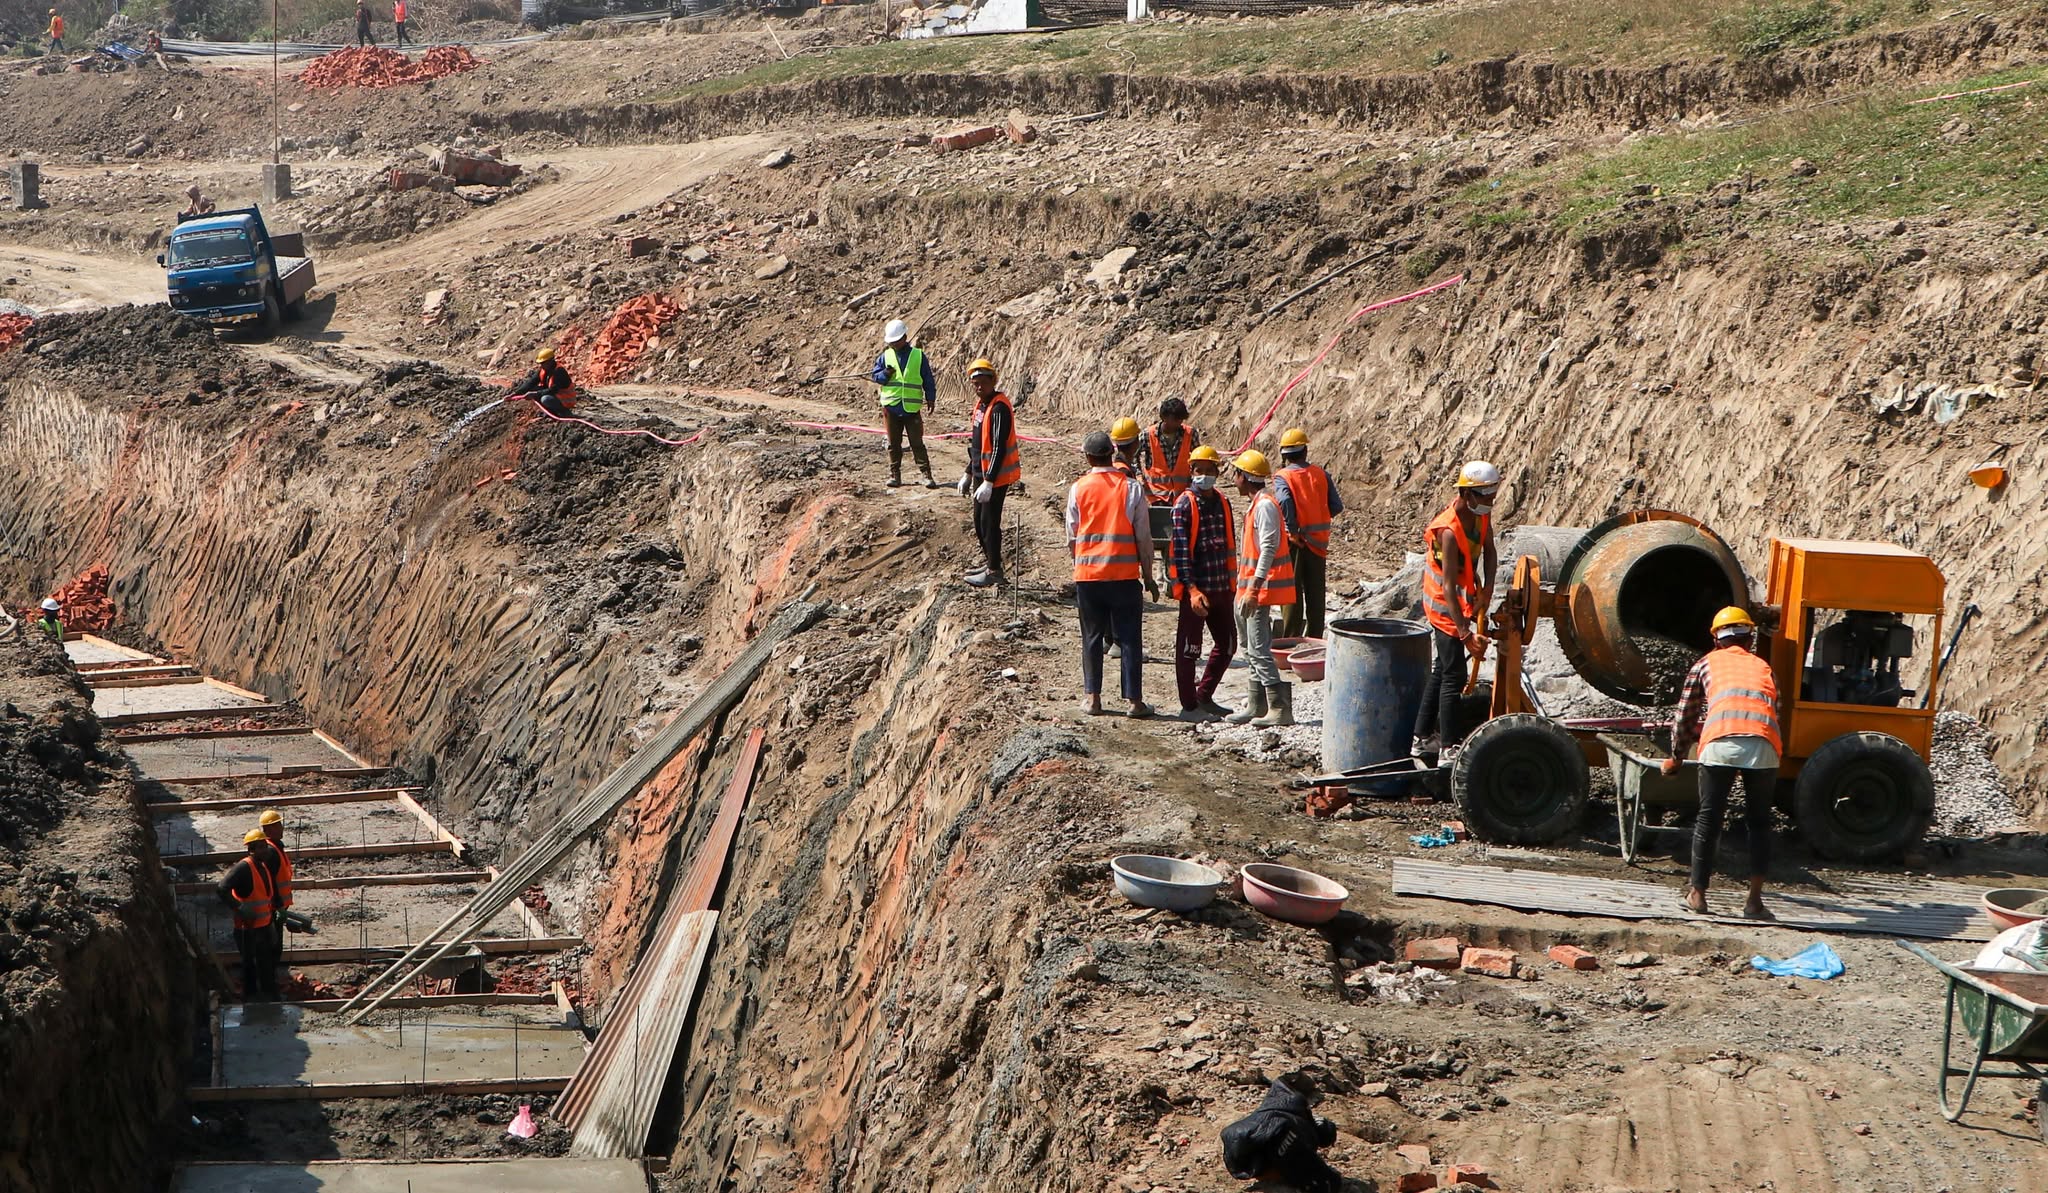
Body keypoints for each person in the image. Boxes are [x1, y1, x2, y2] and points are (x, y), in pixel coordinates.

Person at [1661, 606, 1781, 920]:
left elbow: (1685, 714)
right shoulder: (1763, 667)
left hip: (1720, 743)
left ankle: (1698, 895)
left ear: (1716, 638)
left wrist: (1676, 756)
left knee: (1709, 819)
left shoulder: (1705, 664)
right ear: (1750, 637)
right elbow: (1773, 707)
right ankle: (1754, 902)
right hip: (1763, 745)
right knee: (1758, 824)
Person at [1413, 460, 1499, 757]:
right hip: (1441, 604)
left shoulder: (1481, 516)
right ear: (1468, 494)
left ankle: (1421, 736)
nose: (1490, 503)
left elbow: (1489, 552)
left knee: (1442, 670)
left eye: (1492, 497)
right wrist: (1465, 635)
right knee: (1455, 676)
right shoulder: (1447, 530)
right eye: (1486, 497)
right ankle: (1448, 746)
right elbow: (1448, 585)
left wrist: (1487, 591)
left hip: (1461, 600)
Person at [1068, 430, 1156, 718]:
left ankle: (1093, 699)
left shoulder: (1079, 488)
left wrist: (1080, 562)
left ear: (1088, 456)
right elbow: (1144, 537)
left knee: (1092, 637)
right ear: (1112, 452)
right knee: (1130, 638)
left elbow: (1072, 534)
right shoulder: (1131, 488)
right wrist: (1149, 574)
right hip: (1124, 576)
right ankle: (1134, 702)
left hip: (1089, 577)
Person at [1227, 450, 1296, 727]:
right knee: (1248, 646)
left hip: (1258, 591)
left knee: (1258, 647)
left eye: (1236, 473)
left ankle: (1279, 707)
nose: (1234, 478)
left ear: (1244, 477)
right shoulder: (1257, 504)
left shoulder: (1265, 506)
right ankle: (1257, 704)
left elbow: (1268, 548)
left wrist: (1254, 588)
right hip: (1247, 588)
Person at [1169, 445, 1237, 720]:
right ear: (1192, 471)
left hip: (1221, 587)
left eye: (1210, 471)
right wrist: (1192, 589)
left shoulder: (1222, 501)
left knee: (1228, 644)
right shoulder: (1184, 504)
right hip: (1197, 591)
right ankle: (1189, 707)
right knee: (1190, 649)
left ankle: (1204, 696)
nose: (1205, 476)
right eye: (1200, 471)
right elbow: (1182, 553)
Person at [1271, 427, 1343, 641]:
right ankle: (1315, 640)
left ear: (1284, 455)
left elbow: (1284, 501)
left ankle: (1291, 640)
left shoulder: (1283, 477)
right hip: (1319, 543)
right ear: (1305, 451)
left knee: (1291, 592)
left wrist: (1292, 530)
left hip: (1296, 541)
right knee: (1316, 594)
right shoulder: (1321, 474)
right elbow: (1336, 506)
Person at [960, 359, 1017, 589]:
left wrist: (989, 482)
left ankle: (994, 570)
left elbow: (998, 446)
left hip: (995, 477)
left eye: (982, 383)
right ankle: (989, 563)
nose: (978, 387)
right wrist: (968, 472)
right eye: (975, 384)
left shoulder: (999, 408)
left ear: (993, 381)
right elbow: (978, 445)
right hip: (980, 475)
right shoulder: (981, 406)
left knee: (989, 522)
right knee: (979, 522)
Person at [216, 829, 282, 1001]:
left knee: (266, 965)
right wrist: (239, 906)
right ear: (251, 850)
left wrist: (273, 922)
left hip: (263, 926)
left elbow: (267, 898)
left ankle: (269, 997)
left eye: (265, 847)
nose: (265, 851)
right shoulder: (244, 868)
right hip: (248, 929)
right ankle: (251, 999)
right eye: (261, 847)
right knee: (250, 966)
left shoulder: (263, 867)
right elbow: (221, 888)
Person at [872, 319, 937, 489]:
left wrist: (931, 397)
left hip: (911, 407)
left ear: (904, 338)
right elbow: (876, 376)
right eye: (891, 342)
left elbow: (927, 378)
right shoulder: (885, 356)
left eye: (896, 341)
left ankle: (926, 474)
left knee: (917, 443)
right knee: (894, 444)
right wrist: (885, 374)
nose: (893, 344)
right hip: (891, 407)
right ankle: (895, 474)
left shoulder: (918, 355)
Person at [1137, 398, 1200, 503]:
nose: (1179, 422)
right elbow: (1134, 456)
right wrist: (1139, 476)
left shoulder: (1190, 434)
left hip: (1183, 495)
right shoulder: (1148, 435)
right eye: (1175, 419)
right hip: (1156, 496)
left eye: (1181, 419)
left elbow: (1198, 459)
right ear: (1164, 417)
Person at [260, 809, 295, 966]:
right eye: (276, 825)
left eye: (280, 824)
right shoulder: (271, 852)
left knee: (275, 945)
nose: (281, 828)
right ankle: (269, 985)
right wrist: (278, 906)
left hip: (278, 906)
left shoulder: (276, 847)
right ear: (267, 830)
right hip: (273, 907)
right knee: (272, 946)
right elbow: (271, 882)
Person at [508, 346, 577, 417]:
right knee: (533, 390)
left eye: (543, 363)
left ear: (550, 361)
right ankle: (551, 412)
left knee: (545, 399)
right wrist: (515, 393)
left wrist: (536, 393)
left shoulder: (559, 371)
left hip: (566, 400)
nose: (541, 365)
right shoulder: (543, 370)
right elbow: (530, 383)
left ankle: (564, 413)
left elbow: (553, 390)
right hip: (556, 396)